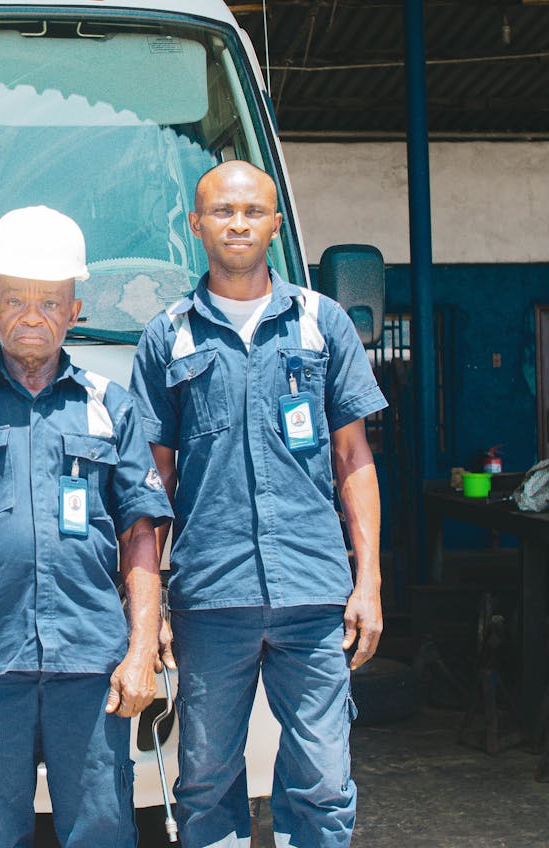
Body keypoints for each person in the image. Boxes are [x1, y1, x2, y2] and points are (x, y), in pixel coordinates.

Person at [128, 160, 387, 848]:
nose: (237, 224)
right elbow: (150, 488)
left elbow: (353, 459)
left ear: (275, 224)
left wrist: (369, 583)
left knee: (323, 781)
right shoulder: (169, 336)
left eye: (251, 212)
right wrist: (150, 612)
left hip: (313, 592)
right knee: (206, 780)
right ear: (195, 225)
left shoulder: (320, 324)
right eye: (221, 212)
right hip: (212, 601)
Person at [0, 206, 174, 848]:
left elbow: (141, 535)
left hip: (92, 660)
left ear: (74, 311)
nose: (32, 314)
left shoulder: (112, 408)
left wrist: (140, 653)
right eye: (15, 299)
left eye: (50, 301)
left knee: (103, 830)